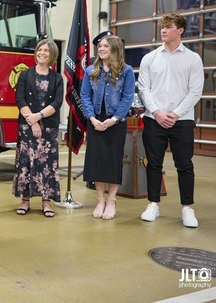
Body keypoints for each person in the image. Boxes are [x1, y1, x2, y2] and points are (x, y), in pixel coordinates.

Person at [138, 13, 204, 227]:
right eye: (162, 27)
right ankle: (153, 204)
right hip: (153, 119)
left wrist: (175, 114)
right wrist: (157, 112)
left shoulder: (193, 59)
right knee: (153, 164)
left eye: (168, 27)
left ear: (180, 30)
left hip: (182, 121)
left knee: (184, 164)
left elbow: (195, 91)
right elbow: (143, 89)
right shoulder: (150, 58)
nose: (163, 31)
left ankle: (187, 209)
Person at [81, 32, 135, 220]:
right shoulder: (90, 71)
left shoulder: (126, 71)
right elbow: (85, 96)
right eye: (100, 46)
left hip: (115, 121)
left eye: (105, 46)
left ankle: (111, 200)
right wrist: (91, 118)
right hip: (95, 120)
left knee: (112, 162)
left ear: (115, 49)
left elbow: (127, 97)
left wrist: (115, 119)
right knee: (97, 162)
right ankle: (100, 200)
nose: (101, 49)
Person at [13, 39, 64, 217]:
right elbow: (20, 99)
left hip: (48, 128)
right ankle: (25, 200)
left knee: (47, 163)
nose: (42, 53)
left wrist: (39, 117)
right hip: (27, 126)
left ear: (52, 55)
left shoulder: (57, 78)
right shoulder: (25, 75)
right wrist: (33, 121)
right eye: (40, 50)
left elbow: (57, 103)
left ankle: (46, 202)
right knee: (26, 161)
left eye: (46, 51)